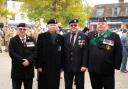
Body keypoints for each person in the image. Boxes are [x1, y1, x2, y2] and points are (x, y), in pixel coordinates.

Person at [88, 17, 122, 89]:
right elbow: (86, 51)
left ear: (107, 25)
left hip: (107, 68)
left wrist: (117, 65)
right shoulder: (90, 35)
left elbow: (118, 51)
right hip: (93, 69)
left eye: (103, 24)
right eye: (99, 24)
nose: (100, 25)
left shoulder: (114, 36)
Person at [36, 19, 64, 89]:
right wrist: (38, 65)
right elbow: (38, 51)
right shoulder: (41, 36)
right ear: (47, 26)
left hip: (56, 66)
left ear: (57, 26)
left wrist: (62, 67)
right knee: (43, 85)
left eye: (54, 25)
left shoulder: (61, 38)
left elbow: (62, 53)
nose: (53, 26)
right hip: (44, 66)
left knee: (54, 84)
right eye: (51, 25)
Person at [8, 23, 36, 89]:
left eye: (24, 29)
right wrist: (22, 61)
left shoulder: (32, 39)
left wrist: (28, 60)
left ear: (27, 30)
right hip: (17, 70)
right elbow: (12, 53)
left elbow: (35, 51)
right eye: (20, 29)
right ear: (17, 30)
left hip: (29, 70)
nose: (22, 30)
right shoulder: (13, 40)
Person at [63, 19, 88, 89]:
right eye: (71, 25)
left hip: (79, 67)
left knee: (80, 86)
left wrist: (84, 65)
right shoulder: (64, 36)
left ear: (78, 26)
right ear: (69, 26)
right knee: (67, 86)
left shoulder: (84, 36)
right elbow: (62, 52)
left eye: (75, 25)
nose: (73, 26)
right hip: (67, 66)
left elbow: (85, 52)